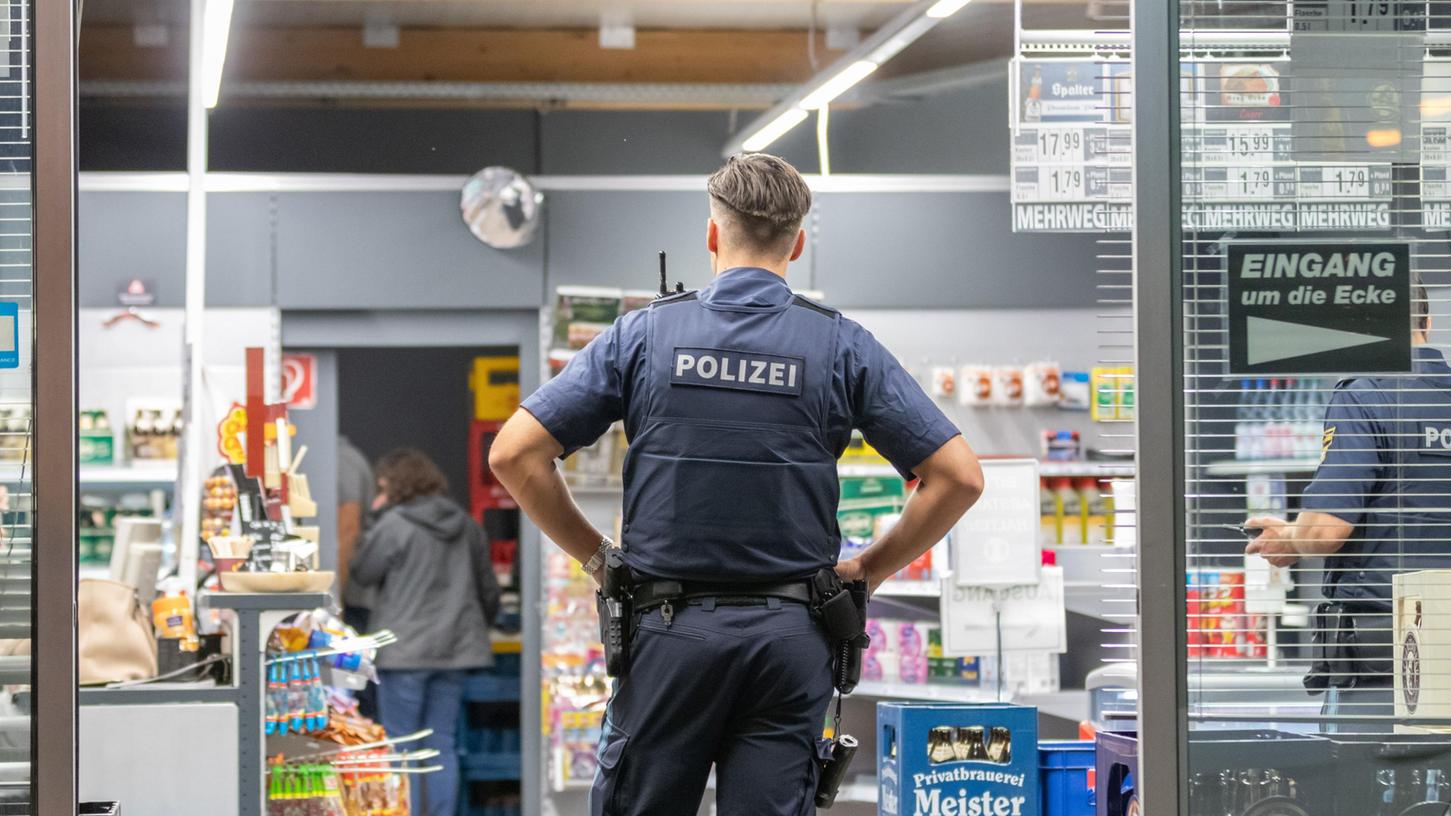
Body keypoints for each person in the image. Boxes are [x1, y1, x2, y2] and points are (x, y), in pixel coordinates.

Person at [489, 153, 984, 814]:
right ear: (798, 243)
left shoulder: (643, 336)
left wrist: (598, 560)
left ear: (711, 235)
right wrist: (866, 570)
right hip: (791, 639)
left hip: (670, 634)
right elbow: (957, 477)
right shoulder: (841, 346)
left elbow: (515, 455)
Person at [1246, 286, 1448, 729]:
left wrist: (1290, 539)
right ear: (1426, 324)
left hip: (1387, 662)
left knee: (1365, 793)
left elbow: (1324, 531)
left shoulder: (1366, 394)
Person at [350, 448, 501, 816]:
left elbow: (363, 572)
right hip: (454, 652)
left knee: (402, 745)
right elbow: (489, 592)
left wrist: (375, 516)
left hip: (403, 654)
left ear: (395, 485)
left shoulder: (394, 524)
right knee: (441, 744)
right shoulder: (466, 525)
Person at [336, 435, 378, 713]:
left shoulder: (340, 460)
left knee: (357, 692)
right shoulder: (348, 457)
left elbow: (349, 525)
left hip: (353, 599)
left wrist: (336, 592)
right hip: (355, 597)